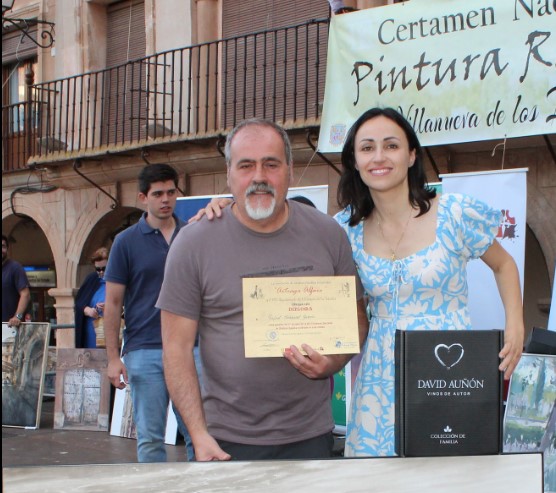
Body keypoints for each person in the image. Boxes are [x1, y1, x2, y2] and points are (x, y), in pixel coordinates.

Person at [157, 118, 368, 462]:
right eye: (246, 165)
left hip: (310, 435)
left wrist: (333, 362)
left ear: (289, 170)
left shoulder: (328, 234)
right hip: (224, 440)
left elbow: (356, 322)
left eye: (271, 164)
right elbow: (175, 348)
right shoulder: (194, 243)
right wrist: (197, 434)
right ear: (228, 174)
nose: (259, 177)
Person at [335, 107, 524, 457]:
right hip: (379, 376)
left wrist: (515, 325)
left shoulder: (454, 213)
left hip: (448, 373)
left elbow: (504, 264)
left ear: (411, 155)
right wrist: (225, 211)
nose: (379, 157)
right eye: (367, 148)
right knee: (378, 487)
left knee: (445, 480)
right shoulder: (345, 228)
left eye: (391, 146)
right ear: (355, 161)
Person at [103, 164, 187, 463]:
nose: (166, 199)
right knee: (151, 439)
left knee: (199, 434)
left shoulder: (191, 235)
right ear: (143, 198)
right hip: (144, 350)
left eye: (171, 192)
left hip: (190, 349)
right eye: (158, 194)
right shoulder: (126, 241)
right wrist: (113, 358)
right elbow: (112, 303)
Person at [74, 246, 110, 348]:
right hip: (91, 334)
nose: (101, 272)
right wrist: (87, 310)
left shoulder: (118, 280)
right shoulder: (91, 279)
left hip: (112, 332)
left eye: (104, 268)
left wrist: (110, 308)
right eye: (98, 269)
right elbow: (79, 303)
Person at [2, 234, 31, 326]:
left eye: (3, 246)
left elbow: (25, 294)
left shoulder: (15, 268)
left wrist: (17, 317)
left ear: (7, 249)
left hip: (9, 328)